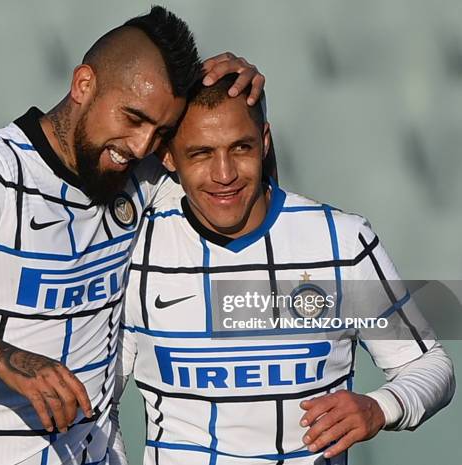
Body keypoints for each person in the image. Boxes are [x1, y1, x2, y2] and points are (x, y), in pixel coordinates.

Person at [0, 7, 271, 465]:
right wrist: (13, 361)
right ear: (83, 85)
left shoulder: (139, 171)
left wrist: (245, 95)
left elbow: (244, 187)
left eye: (159, 131)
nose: (140, 146)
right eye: (132, 118)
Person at [111, 74, 455, 465]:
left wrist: (380, 407)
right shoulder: (136, 251)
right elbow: (100, 402)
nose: (225, 174)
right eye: (201, 153)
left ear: (265, 141)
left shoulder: (340, 240)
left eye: (240, 147)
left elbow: (429, 364)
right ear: (169, 157)